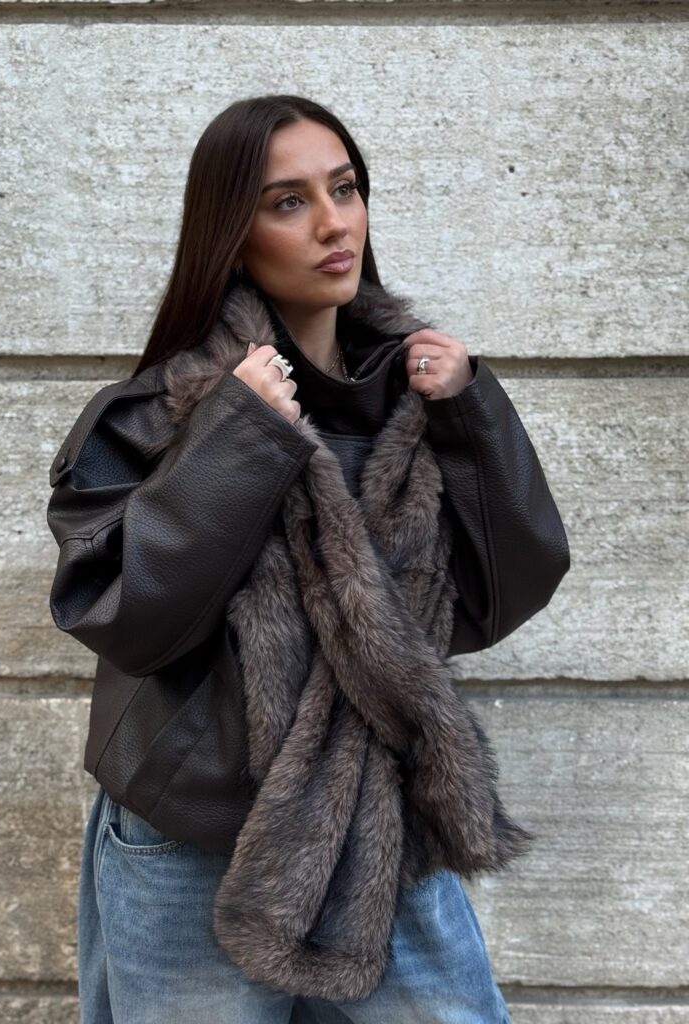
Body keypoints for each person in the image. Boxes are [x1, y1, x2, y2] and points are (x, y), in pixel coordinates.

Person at [46, 94, 570, 1024]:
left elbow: (504, 594)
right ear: (230, 236)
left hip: (379, 817)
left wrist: (471, 416)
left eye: (345, 188)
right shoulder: (153, 417)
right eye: (288, 202)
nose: (335, 223)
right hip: (193, 837)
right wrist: (238, 439)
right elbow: (126, 617)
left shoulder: (416, 406)